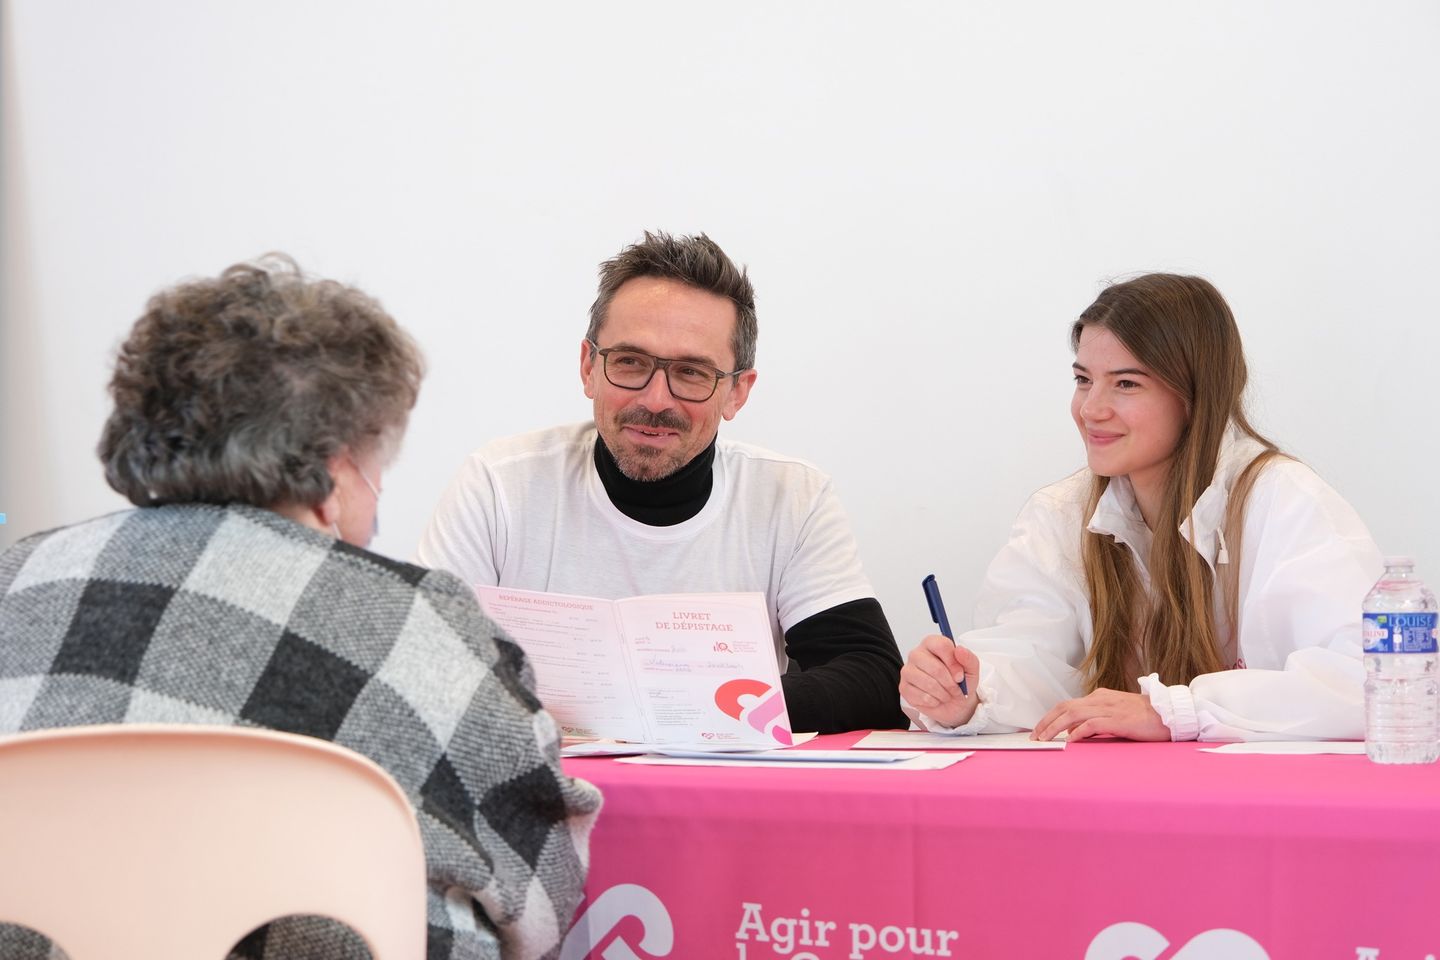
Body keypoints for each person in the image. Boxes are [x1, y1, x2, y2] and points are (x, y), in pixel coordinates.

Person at [0, 257, 601, 960]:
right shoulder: (419, 621)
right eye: (378, 470)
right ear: (334, 472)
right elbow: (542, 898)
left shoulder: (16, 581)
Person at [419, 231, 907, 733]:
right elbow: (423, 668)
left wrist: (665, 703)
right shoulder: (499, 486)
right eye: (630, 362)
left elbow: (872, 679)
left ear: (737, 392)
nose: (655, 399)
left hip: (721, 802)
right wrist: (709, 702)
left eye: (692, 373)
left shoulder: (791, 498)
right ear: (589, 368)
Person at [899, 273, 1382, 742]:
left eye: (1126, 384)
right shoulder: (1061, 513)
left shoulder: (1282, 499)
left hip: (1258, 811)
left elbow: (1372, 678)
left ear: (1195, 396)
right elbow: (1034, 657)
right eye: (1084, 379)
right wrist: (969, 692)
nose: (1091, 408)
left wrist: (1177, 711)